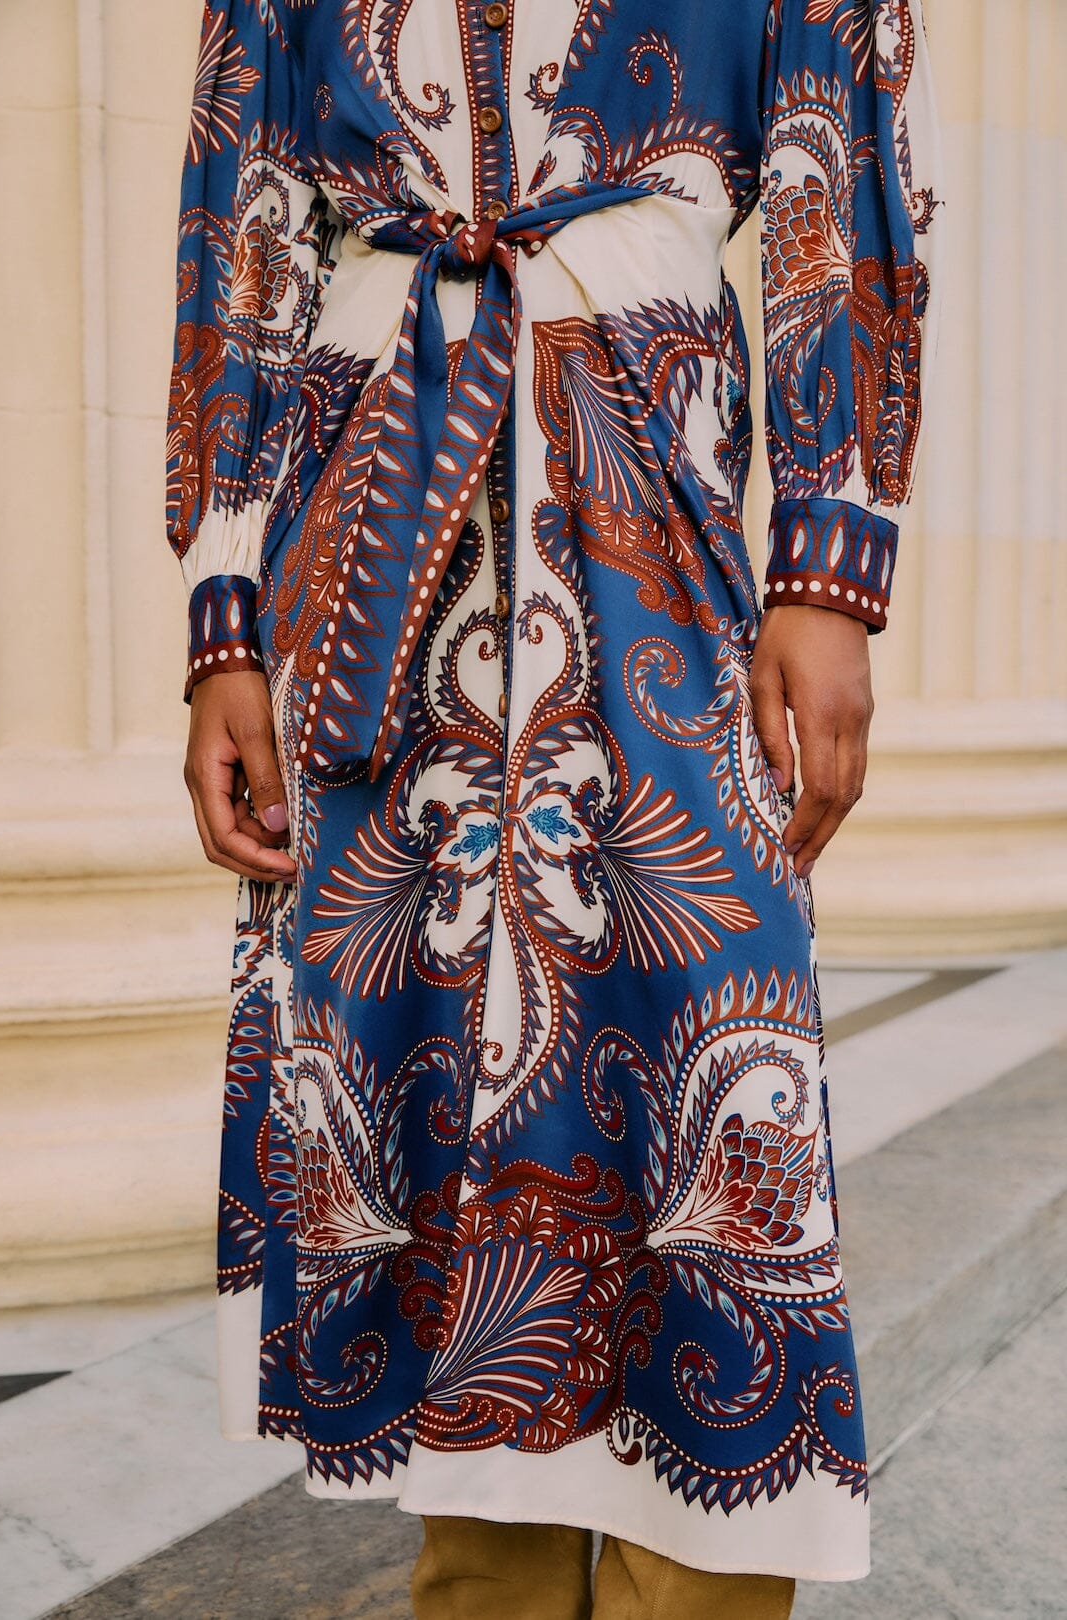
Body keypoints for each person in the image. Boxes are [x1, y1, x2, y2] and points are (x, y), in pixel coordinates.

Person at [168, 1, 942, 1614]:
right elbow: (245, 218)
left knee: (708, 1076)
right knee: (427, 1087)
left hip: (648, 493)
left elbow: (836, 145)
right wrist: (225, 606)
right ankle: (483, 1578)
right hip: (367, 529)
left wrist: (830, 557)